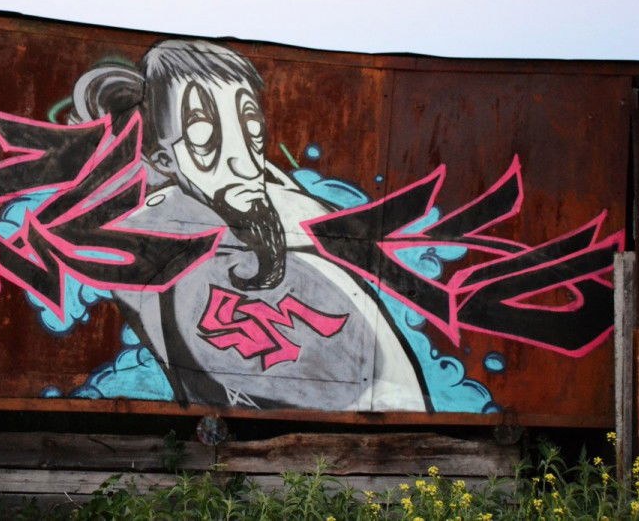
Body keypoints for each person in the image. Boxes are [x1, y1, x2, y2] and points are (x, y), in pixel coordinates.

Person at [68, 40, 427, 411]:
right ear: (163, 159)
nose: (245, 163)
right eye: (203, 134)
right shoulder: (169, 244)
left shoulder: (287, 235)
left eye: (250, 126)